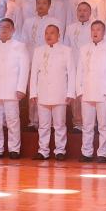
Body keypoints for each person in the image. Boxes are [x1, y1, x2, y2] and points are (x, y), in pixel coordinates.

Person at [0, 18, 30, 159]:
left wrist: (21, 88)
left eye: (7, 27)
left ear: (13, 30)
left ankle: (14, 149)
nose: (3, 29)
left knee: (12, 120)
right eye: (1, 27)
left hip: (12, 90)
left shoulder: (20, 46)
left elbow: (24, 68)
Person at [29, 25, 76, 160]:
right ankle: (43, 150)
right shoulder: (38, 51)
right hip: (43, 93)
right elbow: (34, 73)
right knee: (43, 125)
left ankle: (60, 150)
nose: (49, 36)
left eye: (52, 33)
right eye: (46, 33)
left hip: (60, 93)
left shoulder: (66, 51)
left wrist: (70, 93)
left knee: (59, 124)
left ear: (58, 35)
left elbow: (72, 73)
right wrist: (33, 93)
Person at [77, 21, 106, 162]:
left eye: (98, 29)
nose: (95, 32)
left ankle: (103, 153)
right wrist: (80, 90)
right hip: (87, 91)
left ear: (104, 32)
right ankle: (86, 152)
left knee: (104, 125)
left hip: (103, 93)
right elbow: (80, 70)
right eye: (93, 29)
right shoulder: (84, 49)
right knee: (87, 125)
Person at [65, 2, 95, 131]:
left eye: (85, 10)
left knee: (90, 93)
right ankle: (77, 122)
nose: (82, 13)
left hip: (90, 66)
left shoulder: (94, 27)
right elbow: (66, 48)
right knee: (76, 93)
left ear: (90, 13)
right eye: (80, 10)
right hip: (74, 64)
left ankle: (91, 123)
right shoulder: (70, 28)